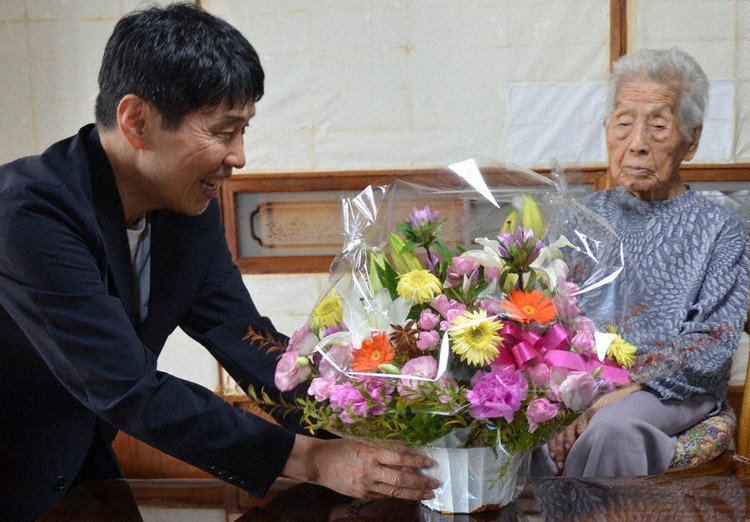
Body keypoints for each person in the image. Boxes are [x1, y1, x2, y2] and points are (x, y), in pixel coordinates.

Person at [0, 4, 437, 520]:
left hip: (79, 462)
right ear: (137, 121)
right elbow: (126, 385)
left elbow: (244, 338)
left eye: (244, 130)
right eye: (224, 131)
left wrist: (358, 417)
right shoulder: (28, 212)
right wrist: (313, 460)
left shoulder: (186, 208)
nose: (239, 156)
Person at [533, 48, 750, 477]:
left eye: (658, 125)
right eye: (624, 122)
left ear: (692, 139)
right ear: (606, 129)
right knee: (500, 419)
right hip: (574, 381)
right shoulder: (578, 219)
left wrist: (626, 388)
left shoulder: (719, 229)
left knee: (613, 429)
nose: (637, 142)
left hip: (672, 387)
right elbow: (540, 315)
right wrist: (565, 391)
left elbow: (714, 339)